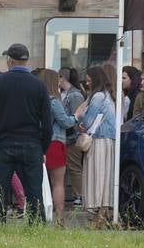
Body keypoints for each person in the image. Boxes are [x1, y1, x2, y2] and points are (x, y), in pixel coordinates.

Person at [0, 45, 51, 225]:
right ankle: (36, 226)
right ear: (26, 61)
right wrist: (44, 148)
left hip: (5, 144)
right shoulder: (39, 85)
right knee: (34, 190)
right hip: (32, 144)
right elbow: (47, 123)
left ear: (10, 60)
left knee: (0, 188)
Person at [79, 66, 117, 228]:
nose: (87, 83)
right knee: (105, 178)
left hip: (98, 141)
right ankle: (103, 213)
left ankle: (99, 216)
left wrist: (81, 118)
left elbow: (87, 121)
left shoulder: (97, 97)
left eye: (89, 80)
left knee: (97, 178)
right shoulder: (107, 96)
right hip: (108, 141)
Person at [39, 68, 76, 225]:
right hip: (55, 143)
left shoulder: (36, 101)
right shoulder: (54, 101)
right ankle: (60, 219)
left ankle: (39, 216)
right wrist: (77, 116)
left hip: (39, 143)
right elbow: (65, 122)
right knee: (58, 183)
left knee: (39, 181)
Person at [58, 67, 85, 207]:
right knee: (70, 167)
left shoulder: (74, 95)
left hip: (72, 137)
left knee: (74, 167)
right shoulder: (66, 94)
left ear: (63, 78)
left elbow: (78, 117)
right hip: (67, 137)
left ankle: (79, 195)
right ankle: (77, 195)